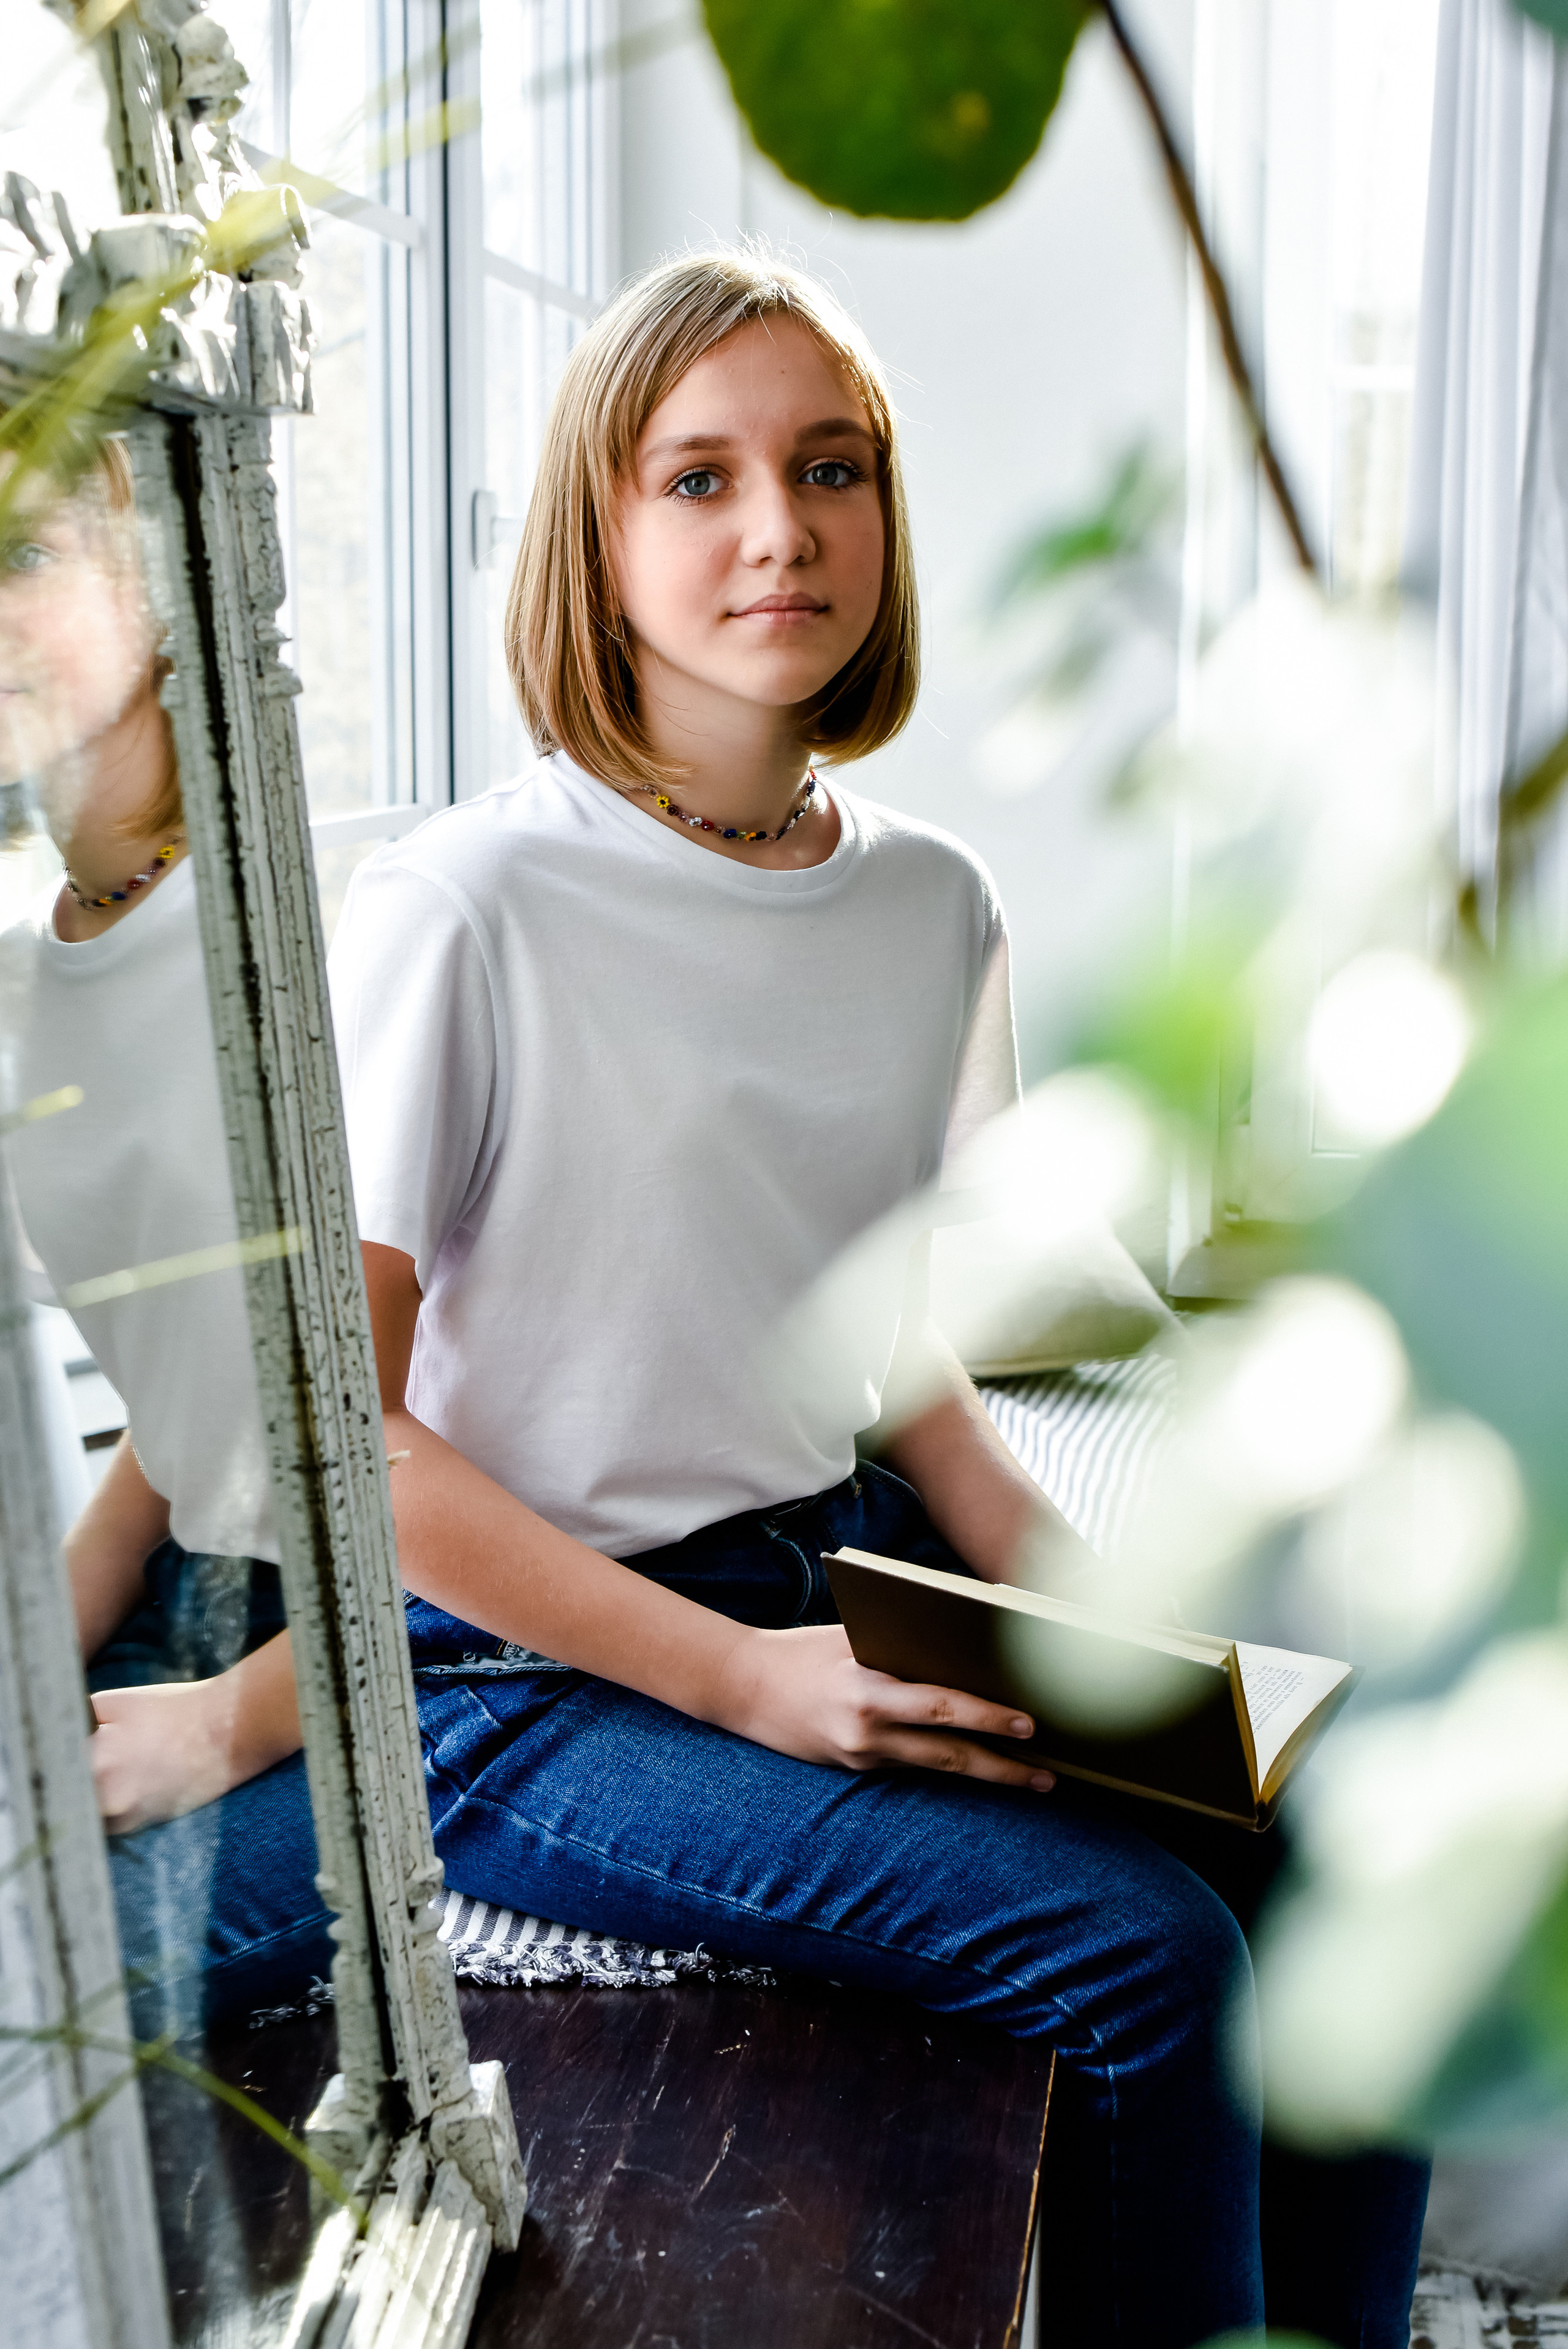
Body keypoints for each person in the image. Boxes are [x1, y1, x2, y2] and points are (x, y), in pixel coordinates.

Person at [327, 249, 1429, 2346]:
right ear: (595, 536)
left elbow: (896, 1346)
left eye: (830, 469)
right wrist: (744, 1681)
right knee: (1150, 1958)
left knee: (1346, 1849)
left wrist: (1092, 1611)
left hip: (839, 1563)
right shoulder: (462, 906)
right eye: (700, 478)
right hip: (515, 1673)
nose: (782, 528)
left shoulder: (930, 902)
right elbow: (347, 1449)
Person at [0, 439, 330, 2035]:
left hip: (409, 1648)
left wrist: (239, 1716)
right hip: (195, 1583)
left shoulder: (321, 931)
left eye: (25, 553)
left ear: (157, 570)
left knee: (38, 2001)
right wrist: (58, 1610)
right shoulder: (33, 978)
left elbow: (497, 1431)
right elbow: (209, 1387)